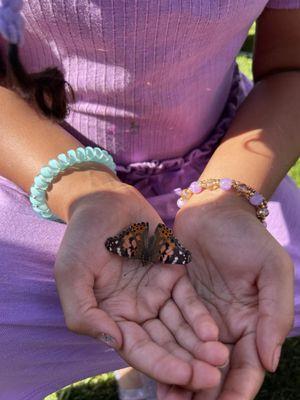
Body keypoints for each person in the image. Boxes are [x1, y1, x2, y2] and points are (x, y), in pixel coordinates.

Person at [0, 1, 299, 400]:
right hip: (34, 165)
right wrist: (85, 190)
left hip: (224, 159)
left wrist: (227, 198)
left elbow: (289, 67)